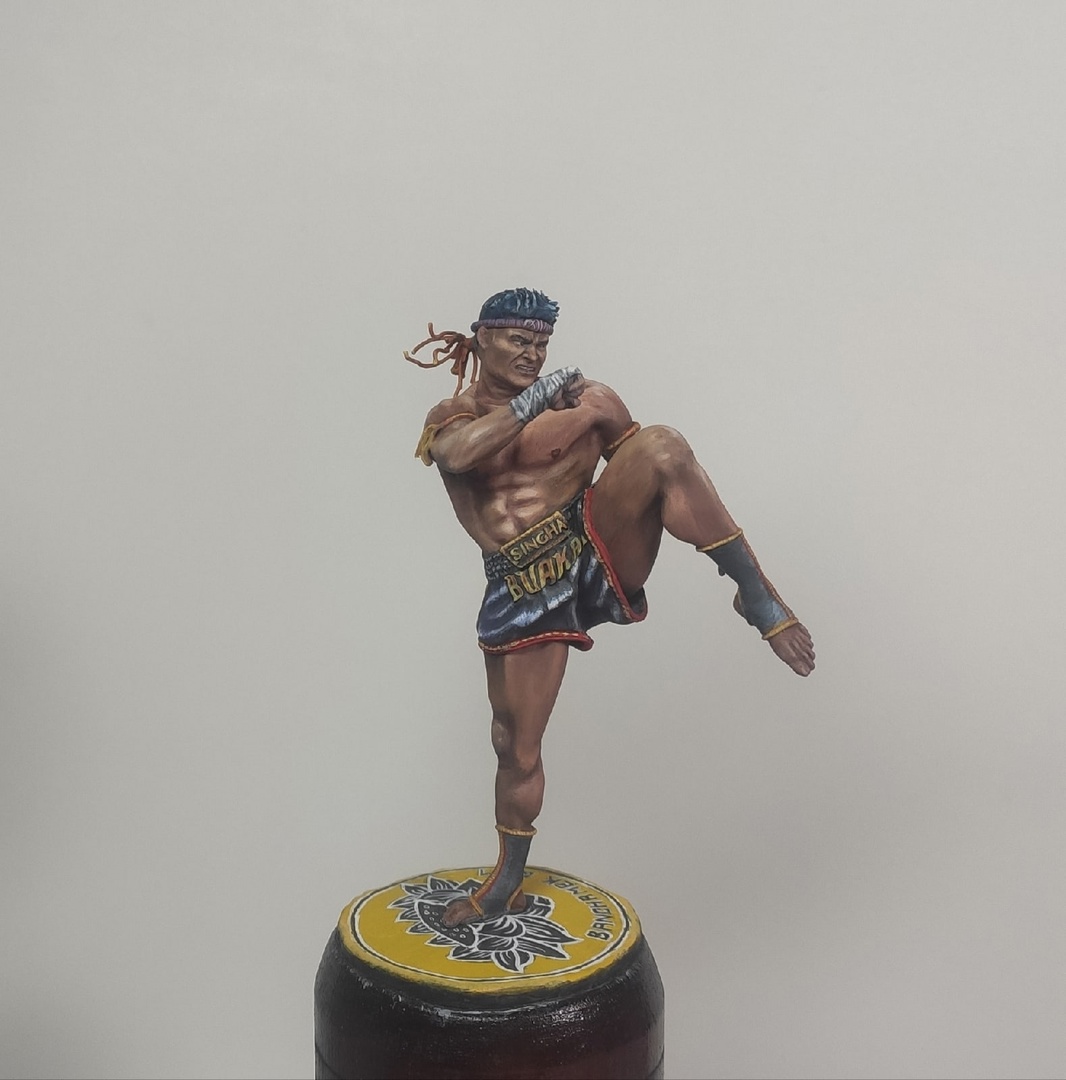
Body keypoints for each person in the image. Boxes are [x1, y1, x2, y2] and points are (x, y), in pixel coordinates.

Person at [407, 288, 815, 927]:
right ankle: (507, 880)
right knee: (515, 746)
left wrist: (582, 413)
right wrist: (533, 402)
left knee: (662, 445)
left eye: (542, 343)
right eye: (519, 340)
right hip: (523, 581)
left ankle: (756, 596)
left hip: (597, 545)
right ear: (482, 337)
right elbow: (459, 455)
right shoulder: (452, 415)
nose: (533, 354)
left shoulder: (589, 401)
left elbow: (659, 470)